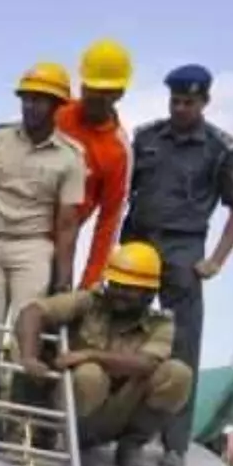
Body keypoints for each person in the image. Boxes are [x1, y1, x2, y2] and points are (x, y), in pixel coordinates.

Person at [123, 64, 233, 466]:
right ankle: (117, 432)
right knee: (123, 335)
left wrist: (216, 260)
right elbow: (121, 189)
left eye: (188, 102)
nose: (180, 108)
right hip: (138, 243)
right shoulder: (144, 137)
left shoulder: (220, 148)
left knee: (181, 347)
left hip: (184, 248)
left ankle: (174, 443)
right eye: (175, 101)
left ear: (205, 102)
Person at [10, 241, 192, 466]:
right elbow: (33, 311)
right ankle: (81, 444)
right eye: (115, 284)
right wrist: (29, 356)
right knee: (90, 374)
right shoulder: (89, 302)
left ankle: (131, 447)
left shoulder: (161, 324)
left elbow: (147, 364)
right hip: (75, 403)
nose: (118, 293)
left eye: (128, 289)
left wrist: (90, 354)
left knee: (178, 374)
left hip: (121, 410)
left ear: (149, 294)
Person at [0, 63, 87, 347]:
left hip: (32, 246)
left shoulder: (70, 157)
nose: (31, 106)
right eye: (27, 98)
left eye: (40, 100)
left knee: (28, 330)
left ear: (56, 106)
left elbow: (67, 224)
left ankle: (21, 388)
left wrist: (63, 278)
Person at [58, 41, 134, 289]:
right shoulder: (58, 112)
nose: (91, 96)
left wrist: (90, 283)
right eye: (88, 87)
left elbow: (109, 221)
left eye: (102, 92)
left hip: (60, 244)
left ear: (119, 94)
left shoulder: (118, 151)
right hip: (15, 226)